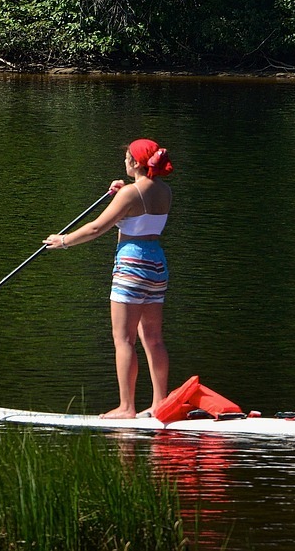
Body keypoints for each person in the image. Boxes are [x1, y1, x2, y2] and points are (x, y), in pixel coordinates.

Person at [43, 139, 174, 419]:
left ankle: (127, 407)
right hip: (157, 263)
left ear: (136, 163)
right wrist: (121, 193)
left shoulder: (129, 194)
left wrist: (63, 241)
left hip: (131, 263)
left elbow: (96, 227)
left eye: (127, 158)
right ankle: (160, 403)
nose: (124, 162)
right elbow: (140, 214)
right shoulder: (165, 191)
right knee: (153, 338)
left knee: (123, 338)